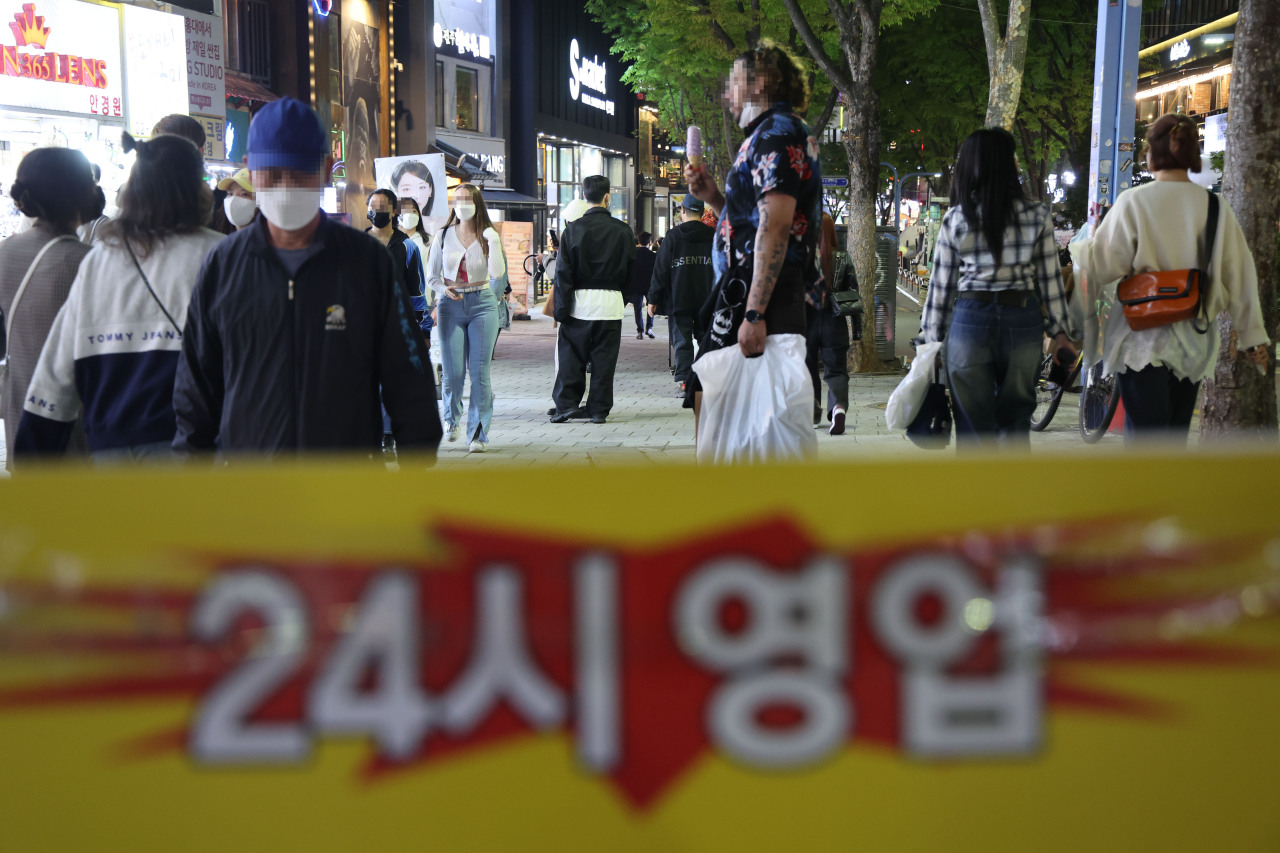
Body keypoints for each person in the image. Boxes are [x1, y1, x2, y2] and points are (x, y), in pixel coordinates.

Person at [172, 96, 441, 459]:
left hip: (345, 487)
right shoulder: (223, 266)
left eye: (300, 172)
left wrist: (416, 469)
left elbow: (408, 376)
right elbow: (196, 387)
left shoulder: (365, 263)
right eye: (273, 173)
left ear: (327, 168)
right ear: (251, 170)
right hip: (249, 486)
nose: (285, 185)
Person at [15, 134, 224, 464]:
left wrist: (34, 447)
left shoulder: (102, 258)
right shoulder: (217, 254)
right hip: (187, 445)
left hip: (109, 447)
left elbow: (58, 363)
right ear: (194, 186)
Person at [1070, 113, 1268, 442]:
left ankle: (1145, 494)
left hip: (1141, 338)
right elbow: (1240, 274)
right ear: (1192, 153)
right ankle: (1167, 493)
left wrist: (1083, 253)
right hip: (1193, 339)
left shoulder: (1133, 202)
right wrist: (1252, 336)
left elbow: (1101, 265)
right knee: (1173, 442)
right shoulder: (1216, 206)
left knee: (1146, 442)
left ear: (1151, 153)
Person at [684, 42, 822, 434]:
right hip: (749, 289)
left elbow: (776, 226)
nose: (727, 94)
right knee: (710, 398)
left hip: (760, 293)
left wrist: (755, 313)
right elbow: (757, 219)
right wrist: (714, 198)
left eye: (733, 83)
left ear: (760, 83)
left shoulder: (776, 135)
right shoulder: (771, 133)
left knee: (724, 408)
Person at [921, 127, 1076, 447]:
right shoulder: (1036, 215)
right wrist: (1061, 332)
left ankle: (977, 496)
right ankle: (1012, 494)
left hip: (969, 324)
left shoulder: (956, 218)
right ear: (1009, 165)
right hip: (1021, 323)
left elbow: (941, 292)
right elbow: (1050, 283)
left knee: (972, 425)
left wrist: (929, 343)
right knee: (1016, 423)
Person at [0, 148, 98, 470]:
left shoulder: (5, 252)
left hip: (22, 420)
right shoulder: (87, 261)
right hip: (74, 426)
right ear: (81, 195)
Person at [425, 183, 505, 451]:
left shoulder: (488, 235)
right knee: (453, 372)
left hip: (483, 304)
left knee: (480, 373)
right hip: (450, 305)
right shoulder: (443, 235)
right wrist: (441, 290)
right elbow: (432, 276)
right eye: (456, 199)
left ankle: (478, 434)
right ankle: (451, 419)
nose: (461, 204)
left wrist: (492, 240)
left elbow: (496, 274)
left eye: (466, 199)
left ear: (476, 202)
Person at [550, 175, 635, 425]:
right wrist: (623, 299)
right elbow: (631, 273)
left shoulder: (572, 230)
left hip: (579, 304)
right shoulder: (623, 231)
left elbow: (563, 274)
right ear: (608, 198)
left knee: (571, 357)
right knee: (604, 361)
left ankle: (566, 405)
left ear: (585, 197)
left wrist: (561, 309)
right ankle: (598, 409)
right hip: (610, 305)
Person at [648, 194, 714, 395]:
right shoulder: (713, 236)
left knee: (682, 340)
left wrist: (653, 299)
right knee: (706, 339)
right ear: (703, 213)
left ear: (683, 211)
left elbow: (661, 270)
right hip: (707, 298)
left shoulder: (673, 237)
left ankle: (685, 382)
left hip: (679, 298)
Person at [806, 210, 851, 435]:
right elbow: (854, 294)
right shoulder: (843, 258)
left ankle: (812, 413)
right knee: (837, 371)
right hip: (836, 321)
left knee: (808, 368)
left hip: (808, 322)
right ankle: (838, 409)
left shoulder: (803, 257)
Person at [397, 195, 434, 342]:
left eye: (414, 211)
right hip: (398, 301)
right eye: (406, 211)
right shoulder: (392, 241)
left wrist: (437, 301)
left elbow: (438, 271)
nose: (410, 215)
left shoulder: (428, 240)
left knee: (424, 344)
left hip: (424, 301)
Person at [627, 231, 656, 339]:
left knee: (637, 309)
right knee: (651, 306)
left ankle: (640, 331)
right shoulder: (653, 256)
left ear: (638, 242)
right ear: (650, 242)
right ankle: (649, 328)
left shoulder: (633, 255)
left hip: (636, 285)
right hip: (649, 286)